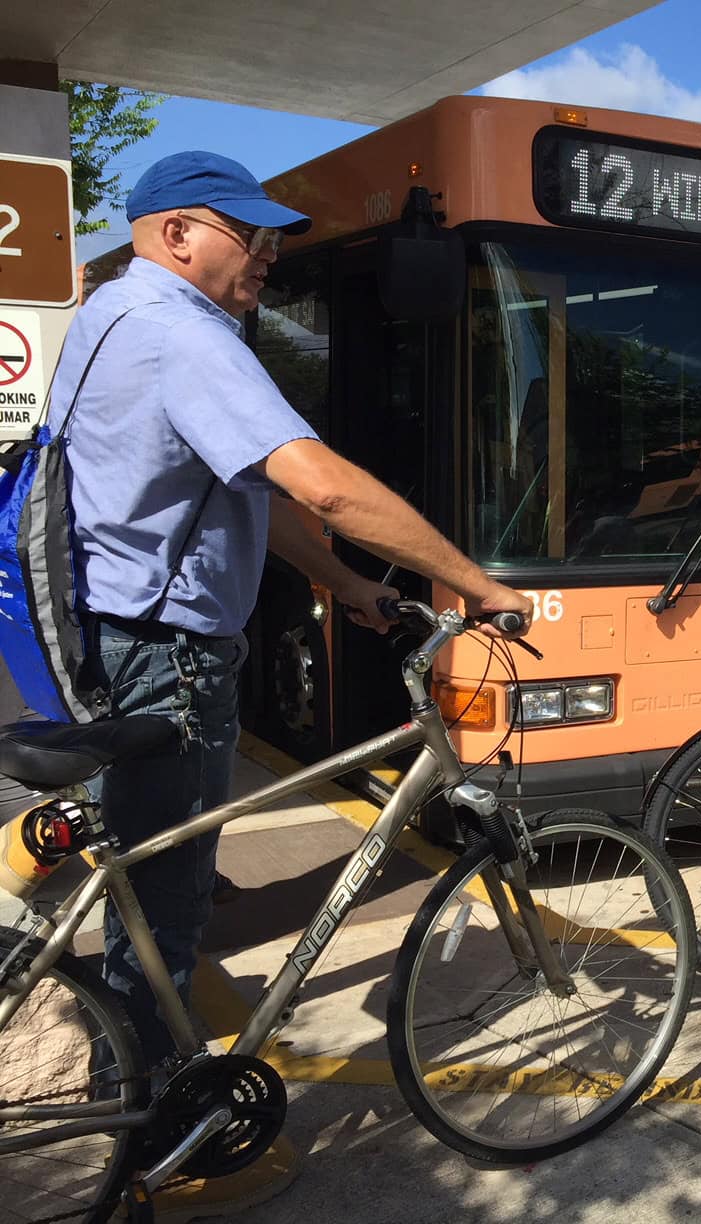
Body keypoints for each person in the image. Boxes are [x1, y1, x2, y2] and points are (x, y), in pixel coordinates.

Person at [47, 151, 532, 1216]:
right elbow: (318, 482)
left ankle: (134, 1094)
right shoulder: (186, 335)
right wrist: (472, 580)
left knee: (149, 890)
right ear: (175, 233)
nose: (265, 255)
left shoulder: (113, 315)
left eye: (271, 239)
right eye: (245, 233)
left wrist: (353, 587)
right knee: (163, 917)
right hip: (168, 657)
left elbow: (252, 500)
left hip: (115, 637)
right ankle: (150, 1139)